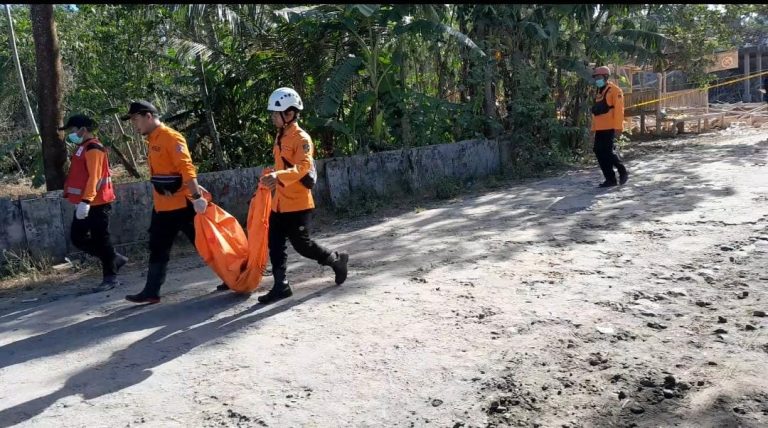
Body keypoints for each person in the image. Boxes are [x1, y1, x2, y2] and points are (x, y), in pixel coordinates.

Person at [249, 87, 349, 304]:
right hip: (279, 203)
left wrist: (279, 175)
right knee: (275, 244)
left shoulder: (302, 138)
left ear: (290, 113)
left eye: (276, 114)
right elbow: (281, 165)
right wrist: (271, 176)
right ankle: (281, 285)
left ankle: (336, 260)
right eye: (273, 114)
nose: (273, 118)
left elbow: (303, 167)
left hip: (298, 204)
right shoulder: (280, 136)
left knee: (302, 245)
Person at [120, 100, 209, 304]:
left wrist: (197, 197)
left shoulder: (171, 137)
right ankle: (151, 291)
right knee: (158, 246)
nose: (135, 125)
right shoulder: (152, 139)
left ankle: (234, 275)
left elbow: (187, 169)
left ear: (148, 116)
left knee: (206, 245)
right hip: (163, 207)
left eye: (136, 119)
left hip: (183, 206)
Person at [60, 114, 128, 291]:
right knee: (78, 238)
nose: (71, 134)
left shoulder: (93, 148)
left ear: (83, 129)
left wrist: (85, 201)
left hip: (96, 204)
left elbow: (95, 178)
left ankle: (110, 277)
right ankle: (114, 258)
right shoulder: (83, 147)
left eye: (73, 130)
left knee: (101, 240)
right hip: (85, 203)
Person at [590, 65, 628, 188]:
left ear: (606, 77)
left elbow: (619, 110)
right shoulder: (599, 92)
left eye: (599, 77)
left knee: (607, 152)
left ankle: (621, 170)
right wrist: (593, 128)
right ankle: (610, 179)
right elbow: (597, 112)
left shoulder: (615, 90)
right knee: (598, 151)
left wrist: (618, 127)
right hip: (600, 127)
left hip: (610, 126)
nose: (597, 80)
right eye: (596, 78)